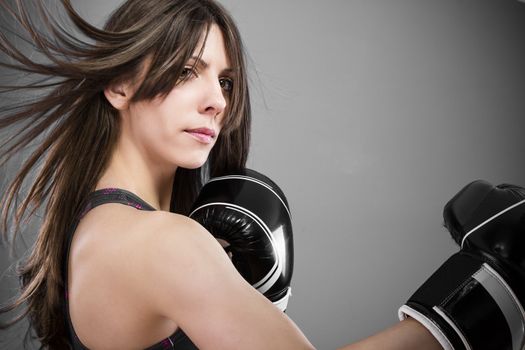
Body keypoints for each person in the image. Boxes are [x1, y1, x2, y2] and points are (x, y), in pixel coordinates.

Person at [0, 1, 523, 349]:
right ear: (118, 86)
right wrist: (482, 292)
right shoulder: (159, 242)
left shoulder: (97, 229)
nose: (216, 102)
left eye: (225, 81)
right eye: (186, 71)